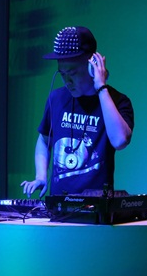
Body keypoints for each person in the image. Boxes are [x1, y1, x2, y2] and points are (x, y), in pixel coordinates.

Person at [21, 26, 134, 198]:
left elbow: (120, 141)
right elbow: (44, 140)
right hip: (58, 205)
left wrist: (101, 87)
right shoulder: (56, 98)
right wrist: (41, 176)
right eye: (62, 74)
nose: (67, 81)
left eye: (72, 73)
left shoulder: (117, 101)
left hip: (96, 206)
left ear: (91, 67)